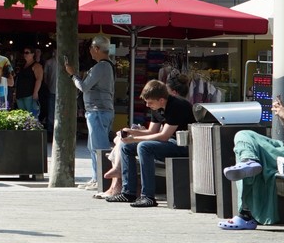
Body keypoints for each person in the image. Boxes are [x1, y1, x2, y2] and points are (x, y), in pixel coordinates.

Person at [220, 61, 284, 229]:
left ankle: (245, 215)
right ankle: (249, 161)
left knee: (256, 158)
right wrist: (283, 118)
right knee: (244, 135)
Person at [107, 79, 193, 208]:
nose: (147, 105)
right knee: (126, 146)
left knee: (144, 147)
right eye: (146, 102)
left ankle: (148, 196)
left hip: (184, 145)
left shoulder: (177, 106)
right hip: (170, 141)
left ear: (161, 100)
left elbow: (163, 136)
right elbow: (152, 131)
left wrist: (135, 139)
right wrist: (131, 132)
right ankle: (128, 192)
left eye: (150, 102)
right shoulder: (156, 107)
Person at [64, 36, 115, 190]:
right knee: (94, 147)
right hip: (98, 110)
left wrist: (73, 75)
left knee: (99, 148)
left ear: (97, 49)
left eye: (92, 48)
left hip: (98, 111)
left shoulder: (101, 67)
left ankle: (101, 180)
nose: (90, 51)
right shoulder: (106, 66)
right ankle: (96, 178)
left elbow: (84, 87)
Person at [16, 48, 43, 117]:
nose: (25, 54)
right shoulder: (22, 65)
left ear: (33, 54)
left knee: (32, 116)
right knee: (22, 116)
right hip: (20, 94)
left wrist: (35, 92)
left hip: (29, 94)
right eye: (24, 52)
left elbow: (39, 79)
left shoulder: (36, 65)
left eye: (27, 52)